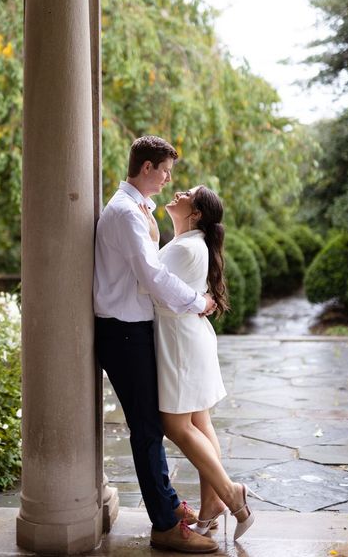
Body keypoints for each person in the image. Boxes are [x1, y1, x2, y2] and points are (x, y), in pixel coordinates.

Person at [94, 136, 219, 554]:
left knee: (152, 428)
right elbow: (153, 277)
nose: (168, 179)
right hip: (124, 334)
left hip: (136, 331)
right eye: (165, 171)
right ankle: (165, 526)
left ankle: (168, 507)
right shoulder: (126, 213)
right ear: (146, 168)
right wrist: (198, 302)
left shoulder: (139, 209)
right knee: (148, 430)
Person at [140, 185, 261, 541]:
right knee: (199, 422)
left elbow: (149, 284)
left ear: (196, 214)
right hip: (189, 339)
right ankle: (211, 509)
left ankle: (230, 494)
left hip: (180, 344)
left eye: (188, 193)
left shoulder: (185, 247)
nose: (178, 191)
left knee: (176, 425)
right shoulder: (189, 245)